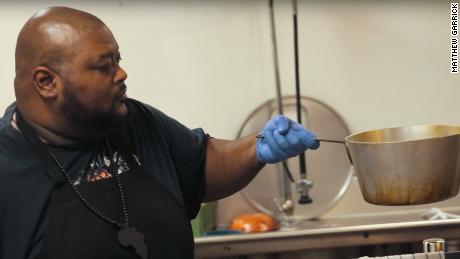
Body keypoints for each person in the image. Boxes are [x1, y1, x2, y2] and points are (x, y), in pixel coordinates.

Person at [0, 6, 319, 259]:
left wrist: (258, 148)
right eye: (104, 66)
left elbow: (202, 166)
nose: (121, 74)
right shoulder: (7, 164)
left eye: (118, 60)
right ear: (46, 82)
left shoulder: (133, 121)